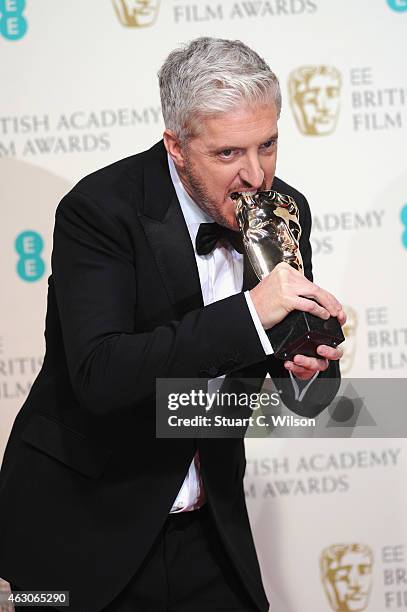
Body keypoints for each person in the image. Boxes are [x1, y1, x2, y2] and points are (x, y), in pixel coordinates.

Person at [0, 37, 345, 612]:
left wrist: (310, 370)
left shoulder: (284, 209)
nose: (257, 175)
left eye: (268, 144)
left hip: (210, 534)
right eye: (229, 154)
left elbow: (298, 381)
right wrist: (250, 315)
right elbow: (101, 374)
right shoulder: (98, 210)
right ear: (177, 146)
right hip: (82, 529)